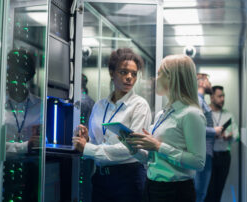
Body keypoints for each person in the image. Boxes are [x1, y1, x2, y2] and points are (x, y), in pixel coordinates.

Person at [73, 48, 152, 202]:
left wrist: (88, 148)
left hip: (128, 179)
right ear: (112, 73)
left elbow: (131, 149)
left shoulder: (139, 105)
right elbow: (97, 141)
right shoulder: (99, 105)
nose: (129, 77)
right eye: (123, 72)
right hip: (100, 178)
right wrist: (86, 139)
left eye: (134, 74)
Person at [125, 54, 206, 202]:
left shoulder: (191, 114)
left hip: (175, 192)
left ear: (172, 78)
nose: (156, 79)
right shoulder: (163, 114)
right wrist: (134, 149)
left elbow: (198, 162)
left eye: (159, 74)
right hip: (152, 187)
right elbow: (153, 159)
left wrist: (158, 146)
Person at [0, 48, 41, 201]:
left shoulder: (40, 106)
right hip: (1, 175)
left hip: (31, 177)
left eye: (20, 72)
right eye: (11, 71)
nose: (14, 77)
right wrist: (25, 146)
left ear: (29, 75)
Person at [205, 86, 239, 202]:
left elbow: (236, 135)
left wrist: (229, 136)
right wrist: (212, 133)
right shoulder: (205, 113)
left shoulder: (228, 115)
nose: (223, 99)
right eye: (220, 96)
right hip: (209, 156)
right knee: (207, 190)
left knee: (219, 190)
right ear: (212, 97)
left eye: (223, 96)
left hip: (224, 156)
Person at [194, 73, 222, 202]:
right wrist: (214, 131)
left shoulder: (200, 100)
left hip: (205, 151)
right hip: (202, 152)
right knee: (199, 192)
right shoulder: (198, 101)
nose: (210, 84)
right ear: (201, 83)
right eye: (208, 81)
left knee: (201, 192)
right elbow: (196, 128)